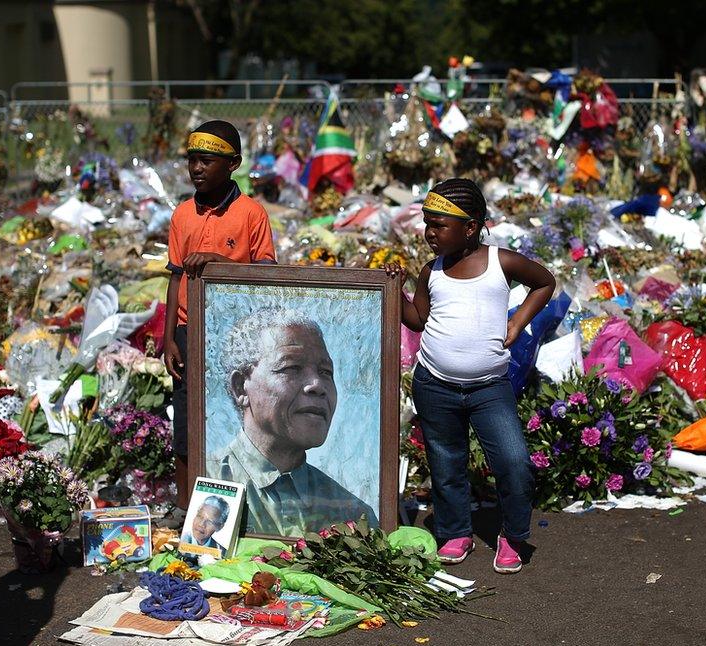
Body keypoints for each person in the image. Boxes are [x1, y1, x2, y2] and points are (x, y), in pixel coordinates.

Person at [384, 179, 556, 575]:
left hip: (489, 388)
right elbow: (419, 320)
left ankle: (512, 535)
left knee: (513, 461)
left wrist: (517, 322)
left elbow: (544, 282)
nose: (430, 232)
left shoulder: (503, 263)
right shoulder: (432, 271)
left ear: (472, 226)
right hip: (434, 384)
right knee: (446, 464)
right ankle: (455, 531)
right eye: (427, 223)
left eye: (439, 225)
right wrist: (397, 291)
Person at [161, 120, 277, 529]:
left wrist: (223, 263)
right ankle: (183, 502)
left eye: (207, 161)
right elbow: (175, 276)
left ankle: (238, 507)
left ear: (233, 165)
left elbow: (266, 275)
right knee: (186, 419)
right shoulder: (182, 215)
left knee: (233, 418)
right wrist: (168, 339)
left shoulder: (250, 214)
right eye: (192, 160)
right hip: (189, 332)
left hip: (234, 334)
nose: (197, 168)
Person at [208, 310, 378, 537]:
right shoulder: (205, 481)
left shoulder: (353, 516)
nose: (317, 385)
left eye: (326, 372)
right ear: (241, 387)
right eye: (291, 368)